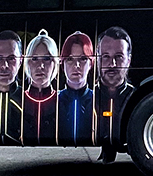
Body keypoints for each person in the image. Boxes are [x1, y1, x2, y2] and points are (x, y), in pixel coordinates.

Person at [94, 26, 134, 163]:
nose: (112, 64)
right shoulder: (87, 98)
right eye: (106, 57)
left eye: (119, 57)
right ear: (97, 59)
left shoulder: (136, 98)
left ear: (128, 60)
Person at [56, 31, 96, 146]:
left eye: (83, 59)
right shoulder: (53, 101)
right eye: (70, 59)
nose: (76, 65)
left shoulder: (98, 101)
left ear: (91, 64)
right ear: (62, 64)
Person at [21, 30, 60, 145]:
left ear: (55, 62)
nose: (40, 66)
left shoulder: (63, 101)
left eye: (47, 59)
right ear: (27, 62)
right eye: (34, 59)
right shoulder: (18, 99)